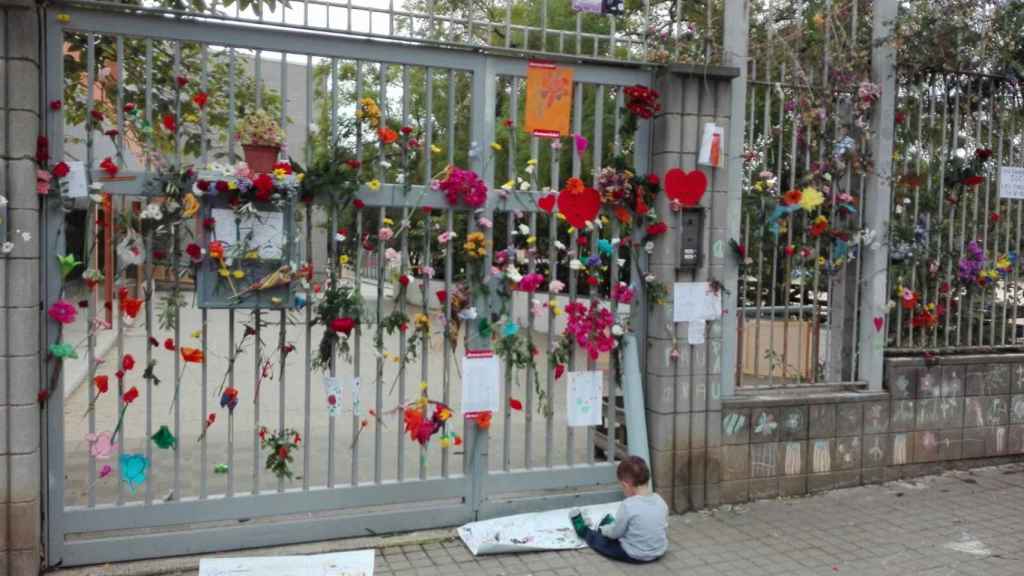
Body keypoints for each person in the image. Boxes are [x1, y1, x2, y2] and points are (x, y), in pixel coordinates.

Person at [569, 455, 668, 563]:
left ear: (625, 485)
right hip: (659, 551)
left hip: (635, 554)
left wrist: (604, 531)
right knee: (626, 526)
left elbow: (615, 534)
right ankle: (612, 524)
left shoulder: (628, 505)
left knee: (603, 542)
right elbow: (662, 526)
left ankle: (584, 531)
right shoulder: (660, 501)